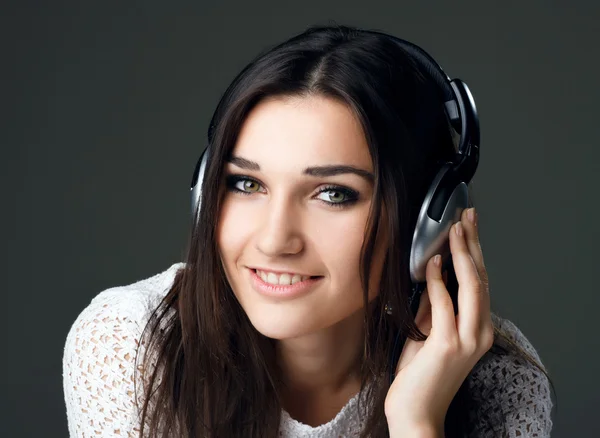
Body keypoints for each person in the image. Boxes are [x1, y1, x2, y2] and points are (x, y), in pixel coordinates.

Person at [62, 24, 554, 437]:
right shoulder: (132, 346)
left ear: (430, 218)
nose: (275, 240)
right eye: (246, 183)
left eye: (332, 194)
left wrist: (416, 422)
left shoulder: (498, 382)